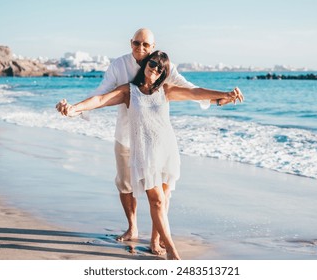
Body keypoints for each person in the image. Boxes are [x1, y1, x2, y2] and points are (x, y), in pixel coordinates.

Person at [58, 28, 233, 255]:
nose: (140, 49)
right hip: (128, 138)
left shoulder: (164, 76)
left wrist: (222, 96)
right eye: (136, 43)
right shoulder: (121, 71)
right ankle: (135, 230)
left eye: (146, 45)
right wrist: (74, 109)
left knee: (161, 198)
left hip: (162, 148)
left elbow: (192, 90)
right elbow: (101, 95)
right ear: (131, 43)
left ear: (153, 49)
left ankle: (156, 241)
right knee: (127, 186)